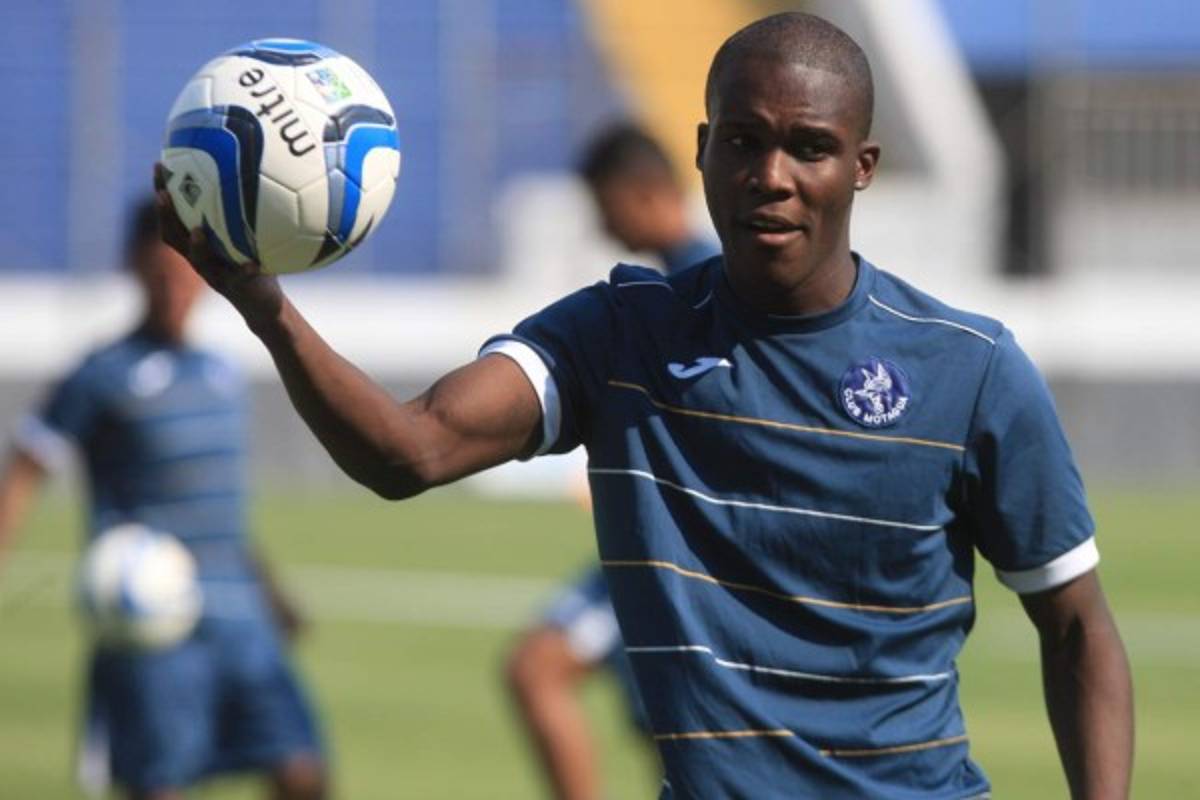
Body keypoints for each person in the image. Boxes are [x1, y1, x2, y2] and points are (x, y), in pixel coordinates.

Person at [156, 11, 1133, 799]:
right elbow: (411, 451)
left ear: (862, 167)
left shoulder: (970, 368)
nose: (773, 177)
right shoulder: (620, 335)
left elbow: (1078, 625)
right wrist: (264, 307)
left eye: (810, 148)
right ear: (702, 151)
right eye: (744, 142)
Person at [0, 200, 327, 800]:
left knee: (303, 770)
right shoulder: (102, 374)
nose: (177, 289)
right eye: (162, 273)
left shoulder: (221, 373)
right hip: (153, 621)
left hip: (241, 614)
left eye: (186, 275)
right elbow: (26, 466)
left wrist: (272, 593)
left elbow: (217, 509)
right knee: (160, 785)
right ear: (134, 266)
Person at [506, 122, 717, 800]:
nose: (600, 224)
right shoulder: (684, 280)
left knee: (538, 670)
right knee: (669, 736)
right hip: (652, 551)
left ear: (642, 192)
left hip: (677, 559)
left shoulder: (696, 288)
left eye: (603, 204)